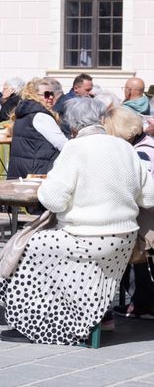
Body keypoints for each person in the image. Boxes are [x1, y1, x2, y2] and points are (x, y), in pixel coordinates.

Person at [0, 97, 154, 344]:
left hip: (87, 238)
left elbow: (54, 201)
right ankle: (90, 315)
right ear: (102, 120)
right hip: (124, 238)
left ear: (72, 127)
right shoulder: (124, 147)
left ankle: (32, 322)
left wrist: (45, 187)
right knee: (41, 245)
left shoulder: (74, 148)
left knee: (27, 247)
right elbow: (149, 196)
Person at [103, 106, 154, 319]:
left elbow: (141, 191)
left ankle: (144, 302)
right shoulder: (146, 144)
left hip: (146, 223)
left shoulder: (142, 152)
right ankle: (141, 302)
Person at [7, 77, 67, 180]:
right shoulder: (41, 116)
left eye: (52, 94)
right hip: (37, 174)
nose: (51, 97)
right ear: (34, 96)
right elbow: (63, 144)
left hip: (22, 174)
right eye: (47, 94)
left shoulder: (23, 113)